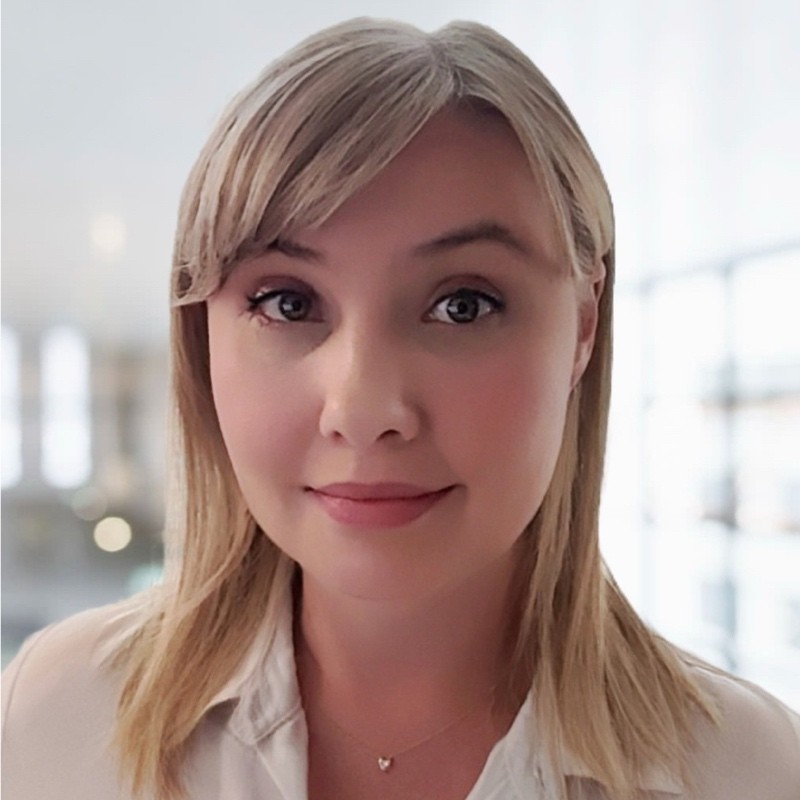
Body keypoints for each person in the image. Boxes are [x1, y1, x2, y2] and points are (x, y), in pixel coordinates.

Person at [2, 17, 798, 800]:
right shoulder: (58, 717)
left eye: (462, 305)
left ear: (583, 325)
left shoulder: (753, 774)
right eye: (286, 301)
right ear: (200, 336)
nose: (363, 409)